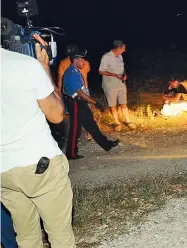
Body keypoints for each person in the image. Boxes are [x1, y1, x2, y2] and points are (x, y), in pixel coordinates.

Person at [1, 35, 76, 247]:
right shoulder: (25, 65)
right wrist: (44, 67)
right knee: (60, 236)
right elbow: (57, 114)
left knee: (25, 236)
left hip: (4, 171)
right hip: (38, 164)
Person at [63, 49, 120, 159]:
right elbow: (80, 92)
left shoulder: (75, 71)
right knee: (75, 129)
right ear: (75, 60)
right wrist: (95, 103)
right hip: (75, 103)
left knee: (91, 125)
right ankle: (71, 153)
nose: (83, 62)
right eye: (81, 60)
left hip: (79, 102)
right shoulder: (71, 73)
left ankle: (106, 145)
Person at [58, 44, 92, 141]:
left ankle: (74, 134)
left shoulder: (63, 63)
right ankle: (88, 133)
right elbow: (85, 75)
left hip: (69, 92)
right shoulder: (84, 62)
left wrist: (59, 92)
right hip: (84, 89)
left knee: (72, 113)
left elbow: (60, 79)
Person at [99, 40, 135, 131]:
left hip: (121, 83)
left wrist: (124, 74)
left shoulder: (120, 56)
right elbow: (101, 71)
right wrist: (115, 75)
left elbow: (122, 69)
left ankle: (128, 121)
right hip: (110, 85)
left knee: (124, 102)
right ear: (118, 48)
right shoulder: (106, 57)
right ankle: (117, 122)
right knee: (113, 104)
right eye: (123, 48)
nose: (124, 50)